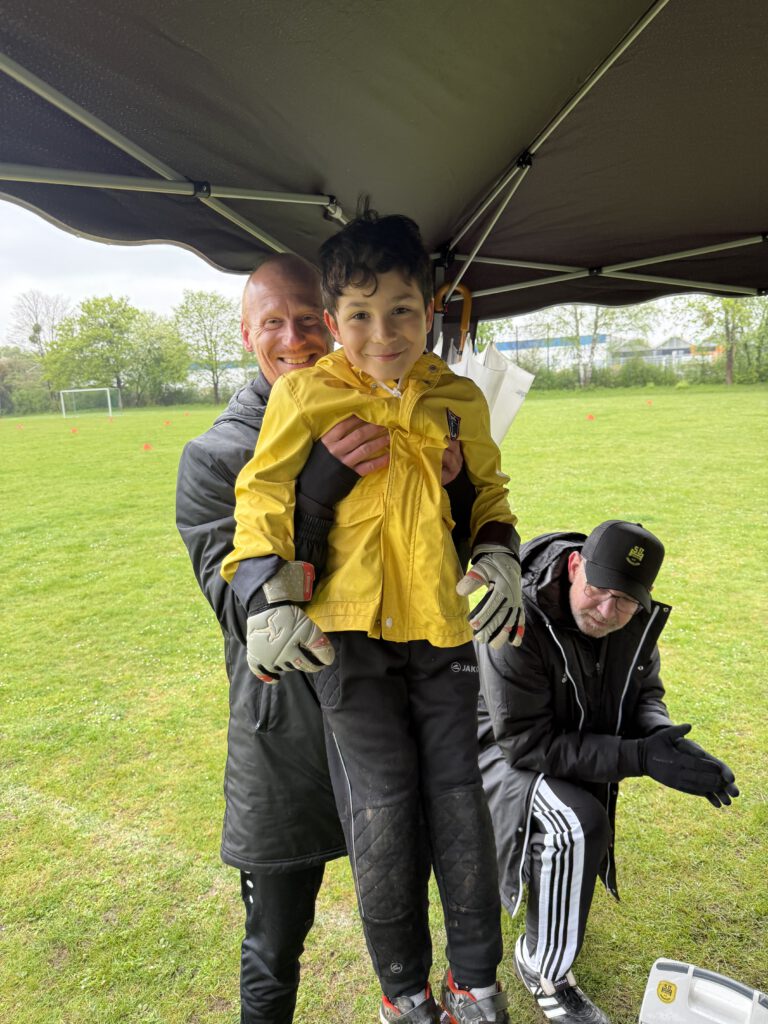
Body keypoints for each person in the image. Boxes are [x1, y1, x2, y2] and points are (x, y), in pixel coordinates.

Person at [220, 213, 522, 1024]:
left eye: (401, 311)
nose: (381, 333)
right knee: (383, 808)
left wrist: (499, 551)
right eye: (358, 314)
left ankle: (475, 983)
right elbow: (261, 495)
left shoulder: (457, 397)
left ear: (430, 310)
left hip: (440, 629)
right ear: (334, 318)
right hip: (344, 641)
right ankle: (403, 992)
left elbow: (488, 495)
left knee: (459, 797)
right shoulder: (303, 394)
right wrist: (268, 594)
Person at [477, 520, 739, 1024]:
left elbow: (645, 692)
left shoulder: (633, 618)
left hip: (564, 741)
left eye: (624, 601)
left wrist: (664, 740)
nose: (606, 610)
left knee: (581, 820)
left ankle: (548, 922)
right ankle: (543, 968)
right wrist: (638, 758)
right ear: (575, 566)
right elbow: (525, 742)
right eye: (599, 591)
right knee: (578, 823)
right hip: (499, 751)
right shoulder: (517, 617)